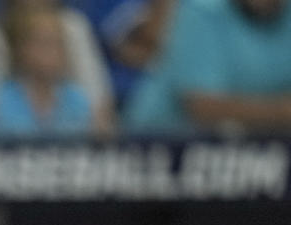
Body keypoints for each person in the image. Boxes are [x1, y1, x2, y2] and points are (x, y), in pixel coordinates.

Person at [124, 0, 291, 133]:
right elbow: (202, 106)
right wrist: (281, 112)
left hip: (257, 146)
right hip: (159, 145)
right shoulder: (202, 9)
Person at [0, 3, 98, 136]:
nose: (55, 52)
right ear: (21, 50)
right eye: (45, 44)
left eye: (59, 44)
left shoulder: (77, 100)